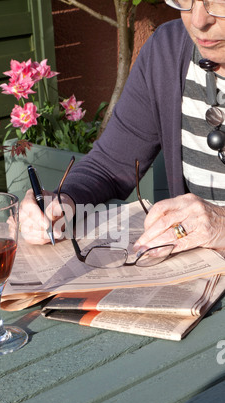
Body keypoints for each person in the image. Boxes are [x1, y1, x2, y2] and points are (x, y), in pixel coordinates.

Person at [20, 0, 225, 255]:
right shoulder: (167, 51)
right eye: (186, 0)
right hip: (200, 277)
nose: (197, 21)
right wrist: (63, 201)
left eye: (217, 2)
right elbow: (110, 165)